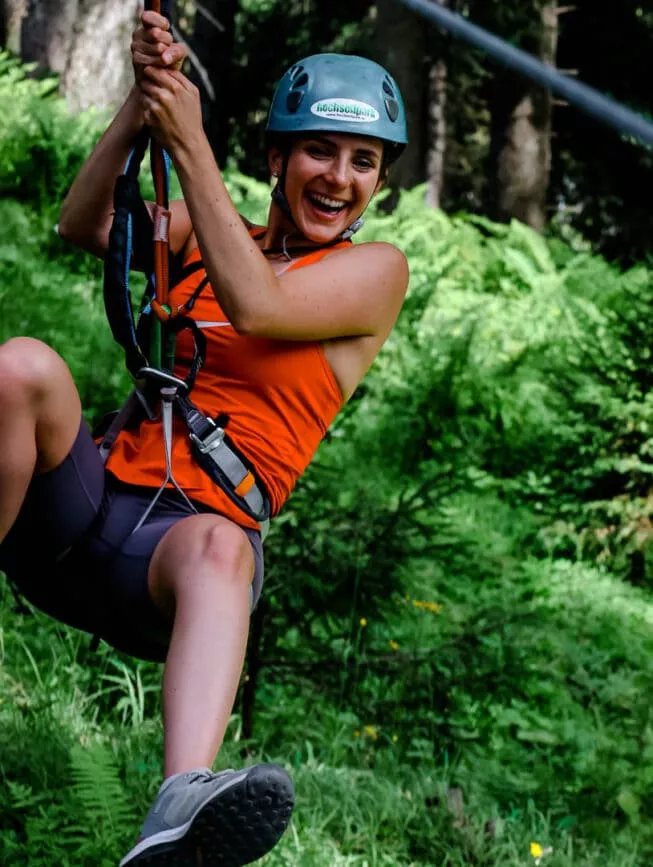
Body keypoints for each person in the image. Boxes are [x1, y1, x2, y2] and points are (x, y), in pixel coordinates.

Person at [0, 10, 409, 867]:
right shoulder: (203, 233)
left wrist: (188, 145)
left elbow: (258, 302)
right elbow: (84, 226)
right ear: (276, 159)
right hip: (91, 505)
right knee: (22, 366)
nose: (339, 178)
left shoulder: (372, 275)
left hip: (176, 557)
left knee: (224, 547)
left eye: (362, 161)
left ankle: (179, 805)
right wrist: (143, 107)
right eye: (318, 152)